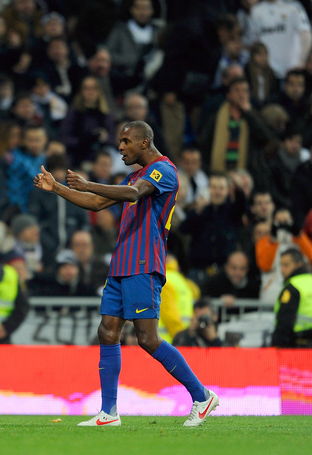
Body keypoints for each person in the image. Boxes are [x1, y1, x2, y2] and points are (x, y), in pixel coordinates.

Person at [33, 120, 219, 427]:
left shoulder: (163, 170)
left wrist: (90, 182)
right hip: (121, 264)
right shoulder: (133, 175)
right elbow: (95, 203)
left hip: (144, 265)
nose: (120, 147)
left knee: (147, 338)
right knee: (107, 331)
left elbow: (133, 194)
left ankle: (202, 396)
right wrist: (58, 189)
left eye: (125, 141)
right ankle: (109, 413)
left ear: (144, 142)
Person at [272, 248, 312, 348]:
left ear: (298, 264)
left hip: (300, 343)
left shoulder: (292, 288)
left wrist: (276, 345)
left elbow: (285, 321)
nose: (282, 269)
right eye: (281, 265)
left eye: (286, 265)